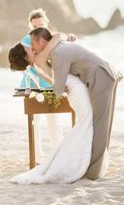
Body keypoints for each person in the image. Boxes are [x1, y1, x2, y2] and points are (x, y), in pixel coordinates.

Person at [28, 27, 123, 180]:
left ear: (41, 41)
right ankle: (94, 168)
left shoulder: (57, 54)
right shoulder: (59, 47)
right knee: (101, 123)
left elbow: (59, 89)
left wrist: (39, 64)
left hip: (102, 76)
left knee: (100, 124)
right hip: (104, 74)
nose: (32, 48)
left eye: (33, 44)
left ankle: (93, 173)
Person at [9, 34, 93, 184]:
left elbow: (51, 77)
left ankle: (80, 160)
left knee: (83, 124)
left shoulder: (37, 61)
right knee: (85, 123)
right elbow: (57, 37)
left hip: (73, 88)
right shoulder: (39, 59)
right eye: (26, 48)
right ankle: (79, 163)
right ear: (25, 55)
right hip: (75, 89)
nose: (29, 47)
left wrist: (60, 85)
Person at [19, 9, 64, 164]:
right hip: (32, 83)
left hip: (50, 83)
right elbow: (27, 61)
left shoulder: (51, 38)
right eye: (34, 26)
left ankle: (59, 154)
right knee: (34, 122)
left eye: (41, 24)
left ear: (46, 22)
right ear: (30, 26)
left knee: (54, 119)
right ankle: (37, 158)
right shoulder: (26, 39)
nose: (37, 28)